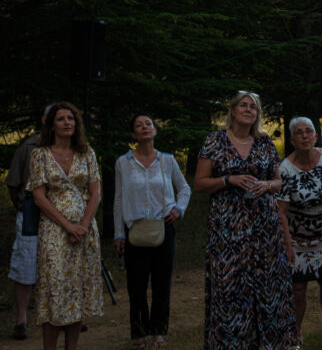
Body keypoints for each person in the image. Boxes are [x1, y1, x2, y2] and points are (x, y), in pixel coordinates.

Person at [194, 91, 296, 350]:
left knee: (268, 285)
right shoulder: (215, 141)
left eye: (253, 107)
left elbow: (279, 181)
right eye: (243, 105)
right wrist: (228, 179)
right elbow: (200, 183)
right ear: (233, 110)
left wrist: (266, 185)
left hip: (265, 227)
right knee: (230, 287)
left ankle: (273, 343)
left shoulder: (264, 142)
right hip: (228, 227)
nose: (248, 110)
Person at [26, 101, 103, 350]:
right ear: (52, 125)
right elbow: (39, 197)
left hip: (85, 231)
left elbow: (96, 193)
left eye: (71, 118)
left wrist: (82, 226)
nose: (67, 122)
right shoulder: (40, 155)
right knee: (55, 291)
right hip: (54, 232)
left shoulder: (86, 153)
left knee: (77, 292)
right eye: (61, 119)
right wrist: (68, 226)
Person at [114, 113, 192, 349]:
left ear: (155, 130)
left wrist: (179, 208)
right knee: (136, 285)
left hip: (163, 227)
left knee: (161, 284)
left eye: (148, 123)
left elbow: (184, 188)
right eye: (139, 125)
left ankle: (158, 331)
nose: (145, 127)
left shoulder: (167, 161)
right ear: (133, 134)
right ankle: (139, 334)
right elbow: (119, 199)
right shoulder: (123, 163)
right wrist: (119, 233)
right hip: (135, 230)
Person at [277, 117, 322, 349]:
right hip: (297, 238)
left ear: (316, 136)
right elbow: (281, 211)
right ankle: (295, 335)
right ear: (292, 140)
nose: (305, 136)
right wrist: (287, 244)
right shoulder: (284, 169)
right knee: (298, 288)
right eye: (299, 132)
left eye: (309, 131)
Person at [5, 106, 50, 341]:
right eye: (55, 117)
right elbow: (13, 183)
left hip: (61, 215)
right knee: (26, 265)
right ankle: (21, 320)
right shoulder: (27, 148)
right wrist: (22, 206)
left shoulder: (69, 147)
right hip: (31, 214)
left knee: (59, 264)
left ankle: (62, 315)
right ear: (44, 119)